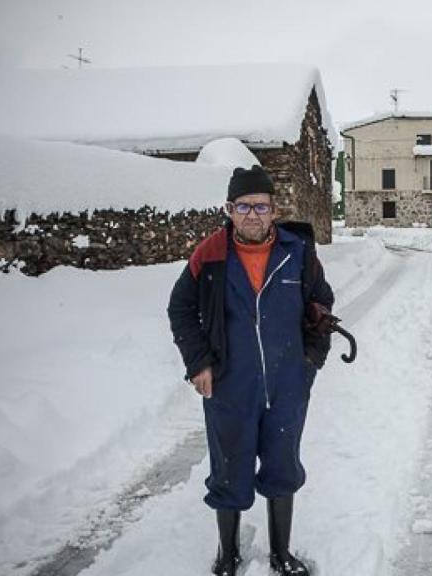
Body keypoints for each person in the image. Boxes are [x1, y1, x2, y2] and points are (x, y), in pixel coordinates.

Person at [168, 165, 334, 576]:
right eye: (243, 206)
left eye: (261, 206)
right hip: (230, 386)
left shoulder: (297, 252)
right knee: (229, 469)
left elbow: (323, 302)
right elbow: (180, 309)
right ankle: (228, 556)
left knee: (282, 466)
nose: (252, 215)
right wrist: (198, 363)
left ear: (274, 210)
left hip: (287, 384)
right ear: (229, 209)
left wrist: (310, 359)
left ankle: (281, 554)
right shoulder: (209, 255)